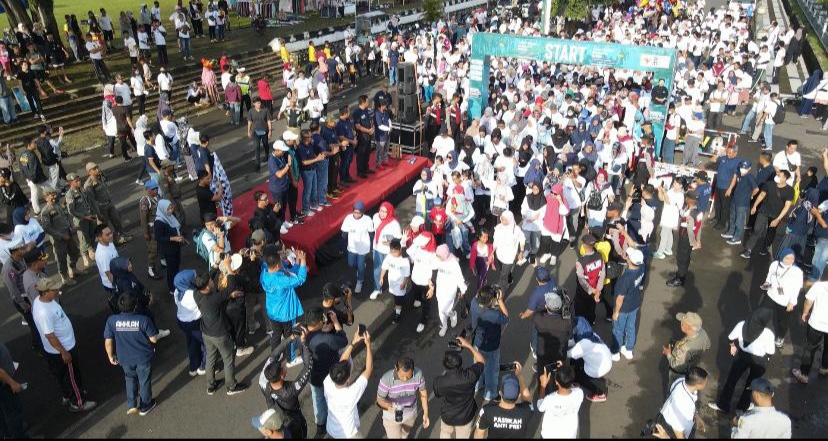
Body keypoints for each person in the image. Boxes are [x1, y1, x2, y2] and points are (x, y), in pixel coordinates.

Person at [31, 276, 97, 412]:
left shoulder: (41, 301)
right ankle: (78, 402)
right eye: (54, 289)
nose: (58, 290)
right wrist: (64, 352)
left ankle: (68, 395)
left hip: (57, 349)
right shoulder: (44, 312)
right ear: (45, 291)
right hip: (63, 349)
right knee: (71, 376)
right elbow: (50, 335)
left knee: (63, 375)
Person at [709, 308, 776, 414]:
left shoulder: (742, 324)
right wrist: (766, 358)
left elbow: (730, 338)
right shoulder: (768, 334)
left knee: (732, 380)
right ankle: (743, 406)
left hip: (742, 356)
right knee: (751, 384)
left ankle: (723, 405)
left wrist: (733, 346)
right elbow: (770, 352)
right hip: (759, 361)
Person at [192, 270, 249, 396]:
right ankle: (231, 386)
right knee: (228, 359)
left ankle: (211, 385)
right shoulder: (213, 298)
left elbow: (224, 291)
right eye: (211, 281)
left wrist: (215, 266)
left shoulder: (196, 294)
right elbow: (229, 289)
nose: (213, 280)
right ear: (207, 286)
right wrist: (229, 271)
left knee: (210, 358)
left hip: (206, 333)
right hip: (220, 335)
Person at [103, 293, 160, 416]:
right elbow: (154, 339)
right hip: (143, 357)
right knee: (144, 381)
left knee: (129, 379)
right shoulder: (143, 320)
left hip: (124, 358)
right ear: (135, 306)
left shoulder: (112, 320)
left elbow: (108, 342)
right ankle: (145, 405)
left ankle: (131, 404)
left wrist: (110, 356)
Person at [258, 327, 312, 439]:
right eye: (282, 368)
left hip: (276, 423)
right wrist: (304, 343)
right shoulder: (291, 390)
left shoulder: (263, 382)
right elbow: (308, 366)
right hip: (295, 426)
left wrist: (291, 338)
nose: (283, 365)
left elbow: (274, 355)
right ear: (282, 375)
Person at [305, 307, 349, 438]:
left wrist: (321, 331)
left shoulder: (303, 337)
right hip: (330, 377)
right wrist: (336, 322)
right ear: (319, 322)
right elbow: (343, 340)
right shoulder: (328, 339)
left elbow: (313, 336)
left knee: (317, 400)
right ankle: (335, 424)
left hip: (314, 377)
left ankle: (320, 427)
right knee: (333, 400)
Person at [261, 244, 307, 366]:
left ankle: (274, 356)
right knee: (290, 336)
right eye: (280, 260)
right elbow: (300, 278)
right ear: (277, 265)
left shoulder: (264, 273)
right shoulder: (281, 280)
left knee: (276, 335)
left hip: (272, 312)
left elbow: (291, 273)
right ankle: (290, 359)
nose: (282, 261)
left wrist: (296, 260)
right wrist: (303, 260)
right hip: (286, 314)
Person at [324, 328, 374, 439]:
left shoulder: (327, 382)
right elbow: (369, 369)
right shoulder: (350, 394)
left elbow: (342, 361)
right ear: (348, 379)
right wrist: (368, 345)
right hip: (348, 435)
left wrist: (353, 343)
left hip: (331, 430)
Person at [433, 336, 485, 439]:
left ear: (445, 366)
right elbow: (481, 361)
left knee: (445, 433)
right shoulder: (470, 376)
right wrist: (468, 345)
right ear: (460, 363)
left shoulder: (439, 382)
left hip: (447, 415)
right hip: (465, 416)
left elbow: (437, 394)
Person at [375, 357, 430, 438]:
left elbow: (423, 394)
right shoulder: (386, 379)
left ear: (413, 370)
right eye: (402, 375)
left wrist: (426, 413)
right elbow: (379, 400)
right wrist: (388, 406)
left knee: (405, 434)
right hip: (391, 416)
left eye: (408, 376)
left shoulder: (419, 375)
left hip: (411, 414)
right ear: (396, 368)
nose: (405, 379)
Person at [473, 365, 532, 439]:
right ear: (518, 396)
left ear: (500, 393)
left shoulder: (486, 411)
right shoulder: (526, 411)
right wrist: (520, 376)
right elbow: (527, 400)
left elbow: (479, 435)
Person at [39, 186, 82, 285]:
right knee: (61, 258)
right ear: (46, 197)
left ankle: (74, 270)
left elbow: (67, 216)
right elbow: (47, 228)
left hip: (68, 233)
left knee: (74, 252)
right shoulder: (46, 211)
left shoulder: (60, 205)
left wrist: (72, 227)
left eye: (54, 194)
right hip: (59, 238)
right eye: (51, 195)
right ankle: (65, 277)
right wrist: (61, 236)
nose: (54, 196)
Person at [761, 248, 803, 348]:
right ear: (781, 257)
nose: (790, 261)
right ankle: (760, 329)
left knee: (782, 321)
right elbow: (769, 275)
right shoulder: (774, 264)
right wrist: (767, 284)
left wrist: (792, 302)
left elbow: (797, 289)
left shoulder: (797, 272)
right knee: (763, 313)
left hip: (784, 301)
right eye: (787, 258)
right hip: (771, 295)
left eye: (792, 259)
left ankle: (780, 336)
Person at [652, 367, 709, 439]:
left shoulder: (681, 381)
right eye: (705, 382)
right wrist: (666, 437)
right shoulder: (684, 404)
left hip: (667, 416)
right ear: (698, 385)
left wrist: (696, 416)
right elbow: (677, 429)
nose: (706, 383)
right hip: (671, 430)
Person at [611, 248, 646, 361]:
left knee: (618, 330)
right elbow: (633, 247)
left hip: (623, 308)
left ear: (630, 261)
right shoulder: (641, 267)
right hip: (634, 304)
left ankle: (616, 352)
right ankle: (628, 349)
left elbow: (620, 298)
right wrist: (624, 232)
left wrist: (616, 312)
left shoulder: (625, 279)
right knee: (631, 327)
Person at [84, 162, 131, 244]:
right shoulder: (89, 185)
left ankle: (122, 234)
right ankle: (114, 241)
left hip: (109, 203)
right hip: (101, 207)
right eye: (94, 169)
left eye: (97, 167)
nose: (97, 169)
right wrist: (98, 214)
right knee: (106, 227)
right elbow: (92, 201)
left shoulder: (101, 176)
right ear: (89, 172)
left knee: (117, 220)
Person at [794, 274, 828, 383]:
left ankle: (804, 374)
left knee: (810, 349)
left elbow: (808, 301)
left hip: (816, 323)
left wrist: (805, 313)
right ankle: (824, 368)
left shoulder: (819, 286)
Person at [173, 270, 207, 377]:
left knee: (192, 343)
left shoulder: (177, 291)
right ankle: (203, 366)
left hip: (182, 322)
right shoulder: (193, 294)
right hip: (195, 323)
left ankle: (193, 367)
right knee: (206, 343)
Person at [663, 312, 711, 386]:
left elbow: (677, 367)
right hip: (693, 367)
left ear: (688, 327)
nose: (680, 323)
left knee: (672, 391)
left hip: (679, 375)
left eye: (682, 322)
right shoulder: (702, 333)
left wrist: (668, 354)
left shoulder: (684, 348)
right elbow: (708, 345)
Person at [667, 190, 703, 287]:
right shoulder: (698, 211)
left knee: (681, 258)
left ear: (689, 200)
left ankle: (680, 278)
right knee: (686, 257)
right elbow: (699, 227)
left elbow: (690, 230)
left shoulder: (690, 214)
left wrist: (693, 243)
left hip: (686, 238)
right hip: (687, 238)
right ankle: (680, 273)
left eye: (686, 197)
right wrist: (698, 240)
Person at [537, 366, 584, 438]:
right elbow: (573, 387)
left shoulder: (550, 399)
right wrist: (564, 372)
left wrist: (543, 385)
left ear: (556, 382)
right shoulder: (579, 393)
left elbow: (540, 407)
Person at [65, 173, 98, 266]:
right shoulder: (70, 195)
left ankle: (91, 249)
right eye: (76, 181)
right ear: (71, 183)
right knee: (83, 238)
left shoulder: (81, 190)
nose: (79, 182)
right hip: (80, 219)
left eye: (79, 180)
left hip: (89, 215)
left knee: (91, 233)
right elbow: (71, 211)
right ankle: (84, 255)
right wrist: (84, 217)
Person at [341, 201, 374, 293]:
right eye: (355, 212)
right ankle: (360, 268)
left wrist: (372, 246)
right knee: (351, 264)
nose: (356, 214)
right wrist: (341, 247)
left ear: (362, 212)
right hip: (352, 247)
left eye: (358, 213)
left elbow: (371, 234)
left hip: (363, 247)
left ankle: (360, 281)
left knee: (360, 267)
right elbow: (344, 233)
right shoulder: (348, 218)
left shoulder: (367, 220)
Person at [371, 201, 402, 300]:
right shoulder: (375, 217)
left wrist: (390, 243)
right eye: (381, 210)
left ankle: (395, 288)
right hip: (377, 249)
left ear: (389, 212)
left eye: (385, 211)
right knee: (377, 270)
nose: (382, 213)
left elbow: (398, 238)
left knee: (392, 270)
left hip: (389, 251)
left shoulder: (394, 223)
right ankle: (377, 289)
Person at [574, 234, 605, 324]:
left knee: (580, 308)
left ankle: (580, 324)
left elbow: (581, 280)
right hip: (595, 287)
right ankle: (592, 320)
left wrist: (591, 290)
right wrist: (598, 290)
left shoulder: (580, 261)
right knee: (592, 305)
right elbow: (602, 274)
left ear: (583, 245)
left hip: (584, 291)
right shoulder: (600, 256)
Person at [0, 341, 26, 438]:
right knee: (14, 411)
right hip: (3, 383)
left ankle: (7, 434)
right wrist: (11, 382)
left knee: (3, 412)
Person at [138, 180, 161, 280]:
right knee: (153, 249)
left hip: (159, 226)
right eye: (153, 189)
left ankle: (163, 261)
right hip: (152, 230)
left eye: (156, 188)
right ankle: (151, 269)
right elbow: (143, 219)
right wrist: (146, 233)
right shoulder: (145, 201)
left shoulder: (157, 197)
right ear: (147, 190)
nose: (155, 190)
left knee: (161, 245)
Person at [248, 97, 273, 171]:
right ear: (254, 104)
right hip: (255, 132)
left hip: (264, 131)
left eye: (260, 103)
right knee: (257, 147)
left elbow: (268, 120)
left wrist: (270, 130)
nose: (259, 104)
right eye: (257, 103)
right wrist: (248, 131)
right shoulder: (251, 111)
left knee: (265, 145)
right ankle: (257, 164)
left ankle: (267, 156)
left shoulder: (265, 110)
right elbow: (249, 121)